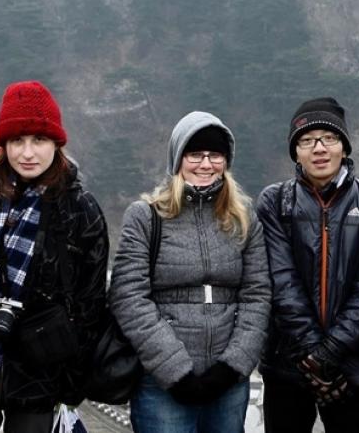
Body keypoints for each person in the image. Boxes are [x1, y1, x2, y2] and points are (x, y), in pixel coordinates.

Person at [0, 81, 109, 432]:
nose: (27, 152)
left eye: (39, 140)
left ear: (56, 144)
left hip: (41, 371)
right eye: (17, 140)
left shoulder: (78, 208)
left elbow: (91, 300)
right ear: (3, 144)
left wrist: (71, 374)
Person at [109, 111, 271, 433]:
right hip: (162, 382)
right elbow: (128, 297)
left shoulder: (243, 217)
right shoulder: (146, 217)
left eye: (215, 155)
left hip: (228, 381)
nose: (206, 164)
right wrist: (175, 370)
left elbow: (258, 294)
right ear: (178, 159)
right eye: (195, 154)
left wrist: (233, 365)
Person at [255, 97, 359, 433]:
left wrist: (330, 353)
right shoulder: (275, 202)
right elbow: (280, 280)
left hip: (350, 365)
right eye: (306, 140)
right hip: (287, 363)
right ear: (296, 152)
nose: (319, 148)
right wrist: (313, 357)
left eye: (328, 138)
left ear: (343, 147)